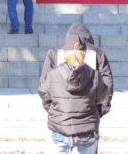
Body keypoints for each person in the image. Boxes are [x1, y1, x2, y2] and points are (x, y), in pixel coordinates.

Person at [38, 24, 113, 154]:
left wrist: (55, 112)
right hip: (87, 125)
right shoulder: (98, 55)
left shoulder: (55, 54)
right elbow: (106, 90)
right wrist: (95, 113)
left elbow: (44, 90)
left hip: (60, 124)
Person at [40, 22, 114, 111]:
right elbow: (107, 82)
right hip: (89, 113)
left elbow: (44, 84)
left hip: (60, 113)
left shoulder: (54, 53)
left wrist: (52, 110)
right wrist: (100, 110)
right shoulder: (98, 53)